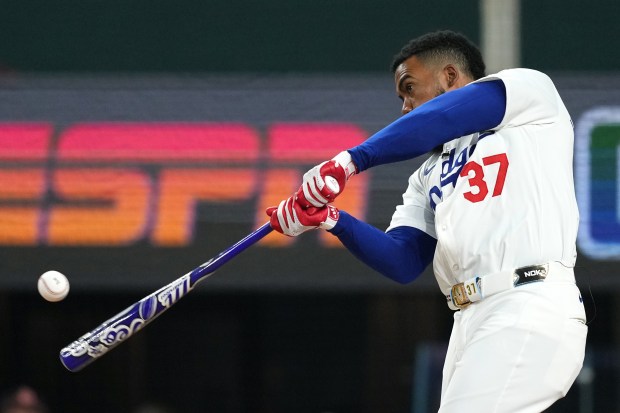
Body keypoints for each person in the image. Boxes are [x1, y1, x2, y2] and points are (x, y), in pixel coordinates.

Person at [266, 30, 588, 412]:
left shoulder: (529, 95)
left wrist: (351, 160)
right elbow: (403, 261)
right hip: (470, 320)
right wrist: (330, 219)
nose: (404, 106)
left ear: (450, 76)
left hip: (529, 302)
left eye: (409, 88)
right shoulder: (427, 174)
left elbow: (439, 118)